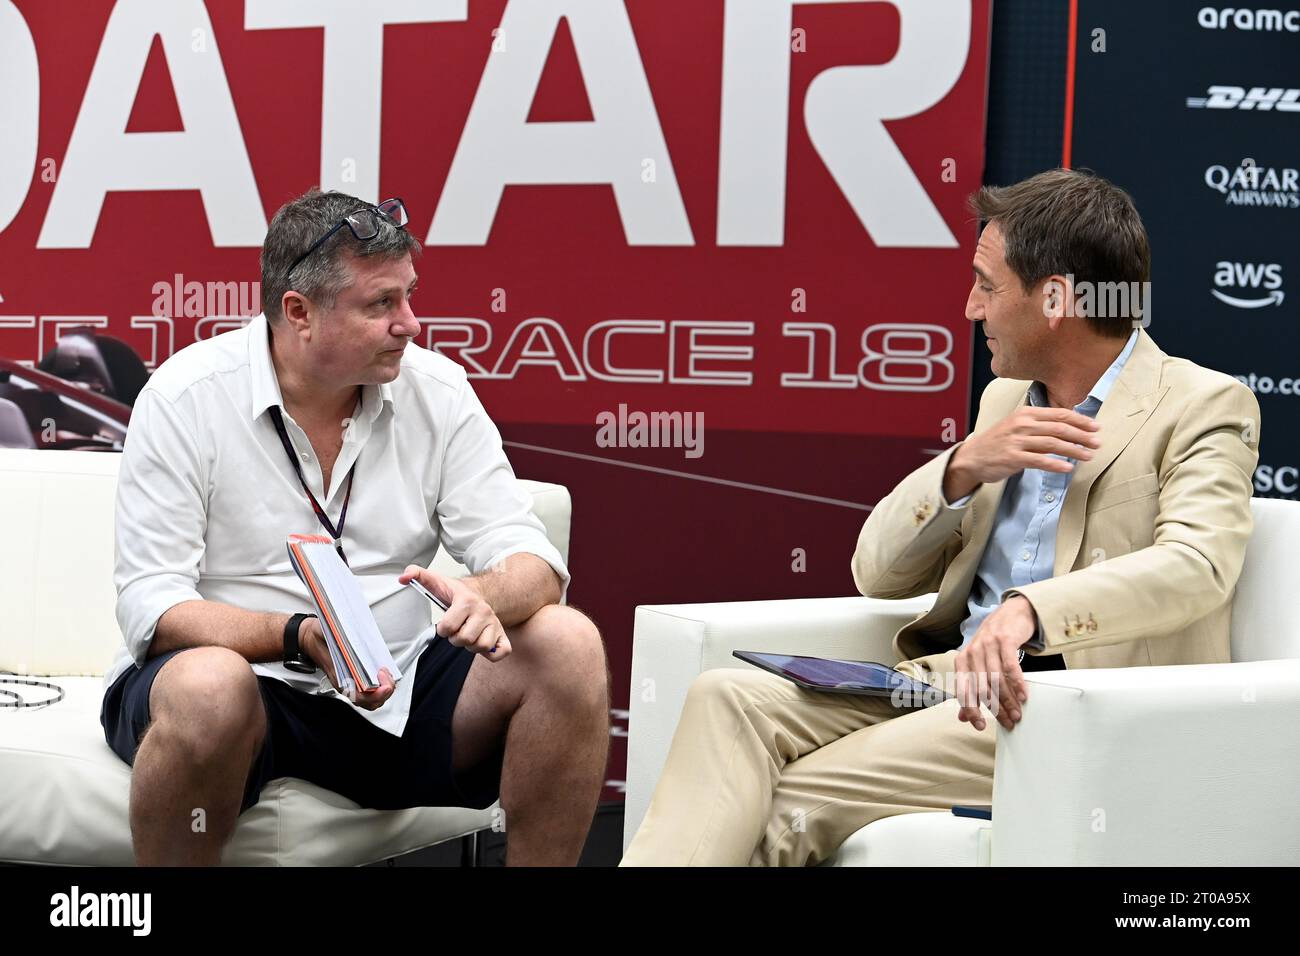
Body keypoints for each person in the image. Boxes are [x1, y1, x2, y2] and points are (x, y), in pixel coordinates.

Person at [621, 168, 1261, 866]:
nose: (970, 308)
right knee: (726, 697)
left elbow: (1198, 566)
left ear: (1056, 299)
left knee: (789, 802)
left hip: (1054, 704)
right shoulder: (1004, 404)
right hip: (944, 680)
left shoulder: (1200, 403)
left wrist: (1029, 611)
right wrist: (961, 468)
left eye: (987, 286)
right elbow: (875, 573)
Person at [100, 188, 610, 866]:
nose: (412, 324)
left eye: (408, 295)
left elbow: (531, 558)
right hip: (253, 685)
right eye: (381, 305)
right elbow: (152, 602)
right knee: (206, 690)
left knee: (567, 642)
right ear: (298, 313)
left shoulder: (439, 391)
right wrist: (296, 638)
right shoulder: (185, 397)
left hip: (399, 684)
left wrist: (484, 597)